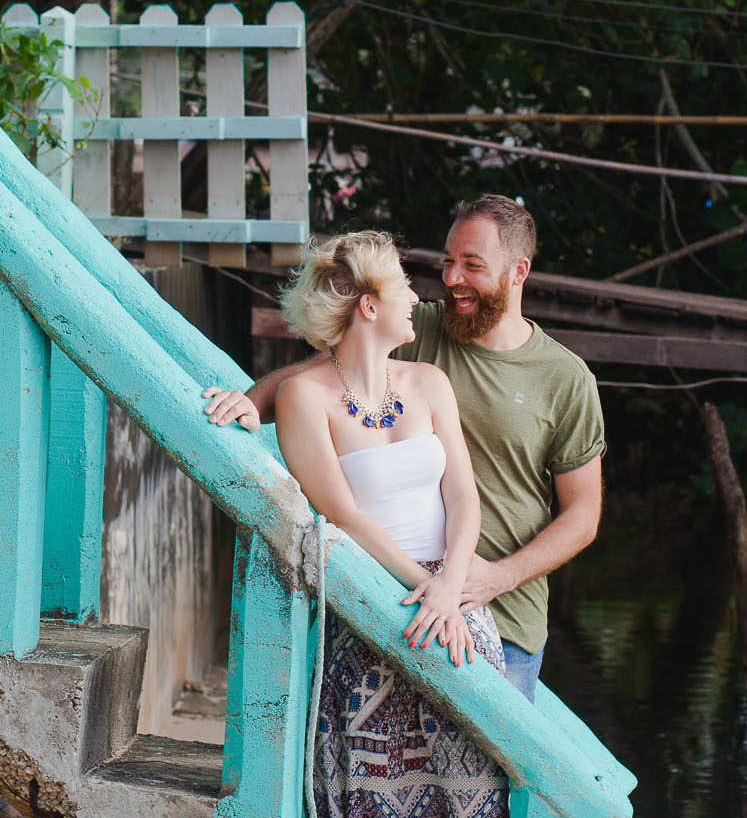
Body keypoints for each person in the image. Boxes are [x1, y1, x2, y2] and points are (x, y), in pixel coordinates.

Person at [206, 195, 604, 701]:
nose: (452, 278)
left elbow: (583, 515)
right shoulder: (423, 332)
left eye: (472, 265)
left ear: (518, 271)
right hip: (392, 597)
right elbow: (323, 371)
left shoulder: (566, 378)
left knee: (485, 773)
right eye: (448, 261)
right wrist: (250, 401)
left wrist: (492, 579)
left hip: (503, 616)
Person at [265, 230, 507, 818]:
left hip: (449, 591)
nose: (415, 297)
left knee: (474, 743)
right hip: (372, 591)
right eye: (403, 285)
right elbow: (341, 512)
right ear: (369, 306)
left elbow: (463, 496)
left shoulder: (429, 382)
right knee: (371, 791)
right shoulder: (303, 396)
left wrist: (450, 585)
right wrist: (422, 585)